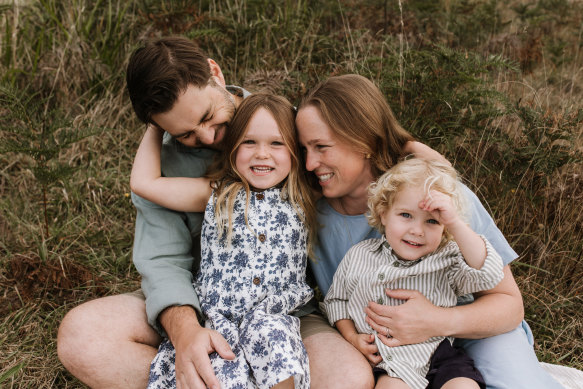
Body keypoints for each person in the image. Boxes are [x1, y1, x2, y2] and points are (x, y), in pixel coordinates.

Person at [57, 36, 439, 389]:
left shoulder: (285, 123)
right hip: (204, 303)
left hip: (286, 313)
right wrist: (186, 331)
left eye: (207, 116)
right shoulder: (168, 167)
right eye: (187, 133)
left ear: (216, 73)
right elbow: (162, 261)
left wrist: (409, 148)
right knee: (82, 336)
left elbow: (354, 142)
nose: (207, 138)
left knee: (348, 378)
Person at [295, 73, 564, 389]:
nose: (311, 163)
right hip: (390, 352)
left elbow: (509, 305)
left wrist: (435, 321)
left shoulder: (437, 196)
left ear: (363, 141)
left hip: (471, 332)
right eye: (304, 149)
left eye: (321, 147)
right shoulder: (313, 216)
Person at [131, 93, 316, 388]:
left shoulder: (303, 195)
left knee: (282, 363)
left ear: (296, 150)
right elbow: (144, 183)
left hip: (272, 314)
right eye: (249, 142)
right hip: (218, 316)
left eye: (277, 143)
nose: (262, 154)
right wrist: (156, 124)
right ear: (232, 148)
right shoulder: (217, 193)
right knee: (219, 375)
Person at [324, 157, 505, 389]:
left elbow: (488, 274)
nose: (417, 231)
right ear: (383, 213)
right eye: (406, 215)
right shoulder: (360, 255)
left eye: (432, 221)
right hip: (388, 361)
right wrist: (352, 338)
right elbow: (336, 301)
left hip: (440, 355)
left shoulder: (448, 258)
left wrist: (455, 223)